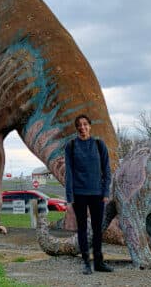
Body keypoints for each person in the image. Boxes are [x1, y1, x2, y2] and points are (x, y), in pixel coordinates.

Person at [65, 114, 114, 275]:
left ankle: (99, 262)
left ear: (90, 126)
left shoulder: (99, 145)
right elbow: (69, 173)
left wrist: (106, 191)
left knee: (97, 229)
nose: (82, 127)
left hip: (98, 194)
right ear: (77, 128)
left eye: (85, 124)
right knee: (83, 229)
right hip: (79, 194)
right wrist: (69, 198)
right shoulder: (71, 146)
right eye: (79, 125)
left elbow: (107, 170)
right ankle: (86, 262)